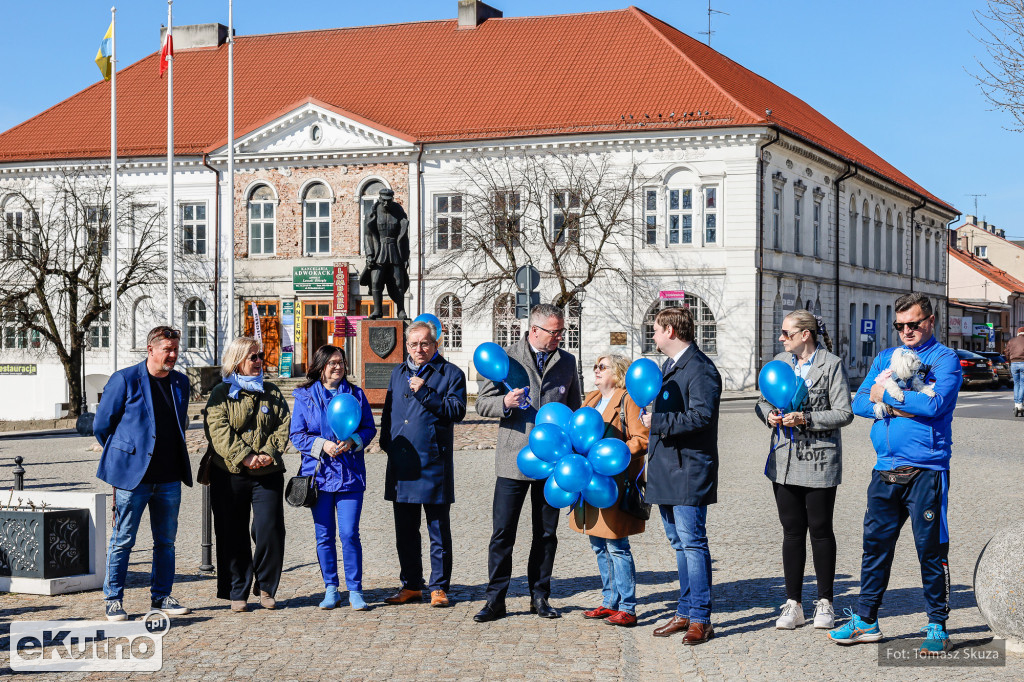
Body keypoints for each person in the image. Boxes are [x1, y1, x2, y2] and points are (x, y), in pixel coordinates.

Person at [829, 292, 961, 655]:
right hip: (884, 469)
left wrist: (886, 395)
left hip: (926, 470)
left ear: (930, 321)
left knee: (930, 549)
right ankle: (867, 621)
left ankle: (937, 624)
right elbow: (858, 403)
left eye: (914, 324)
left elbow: (935, 404)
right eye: (900, 325)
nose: (906, 331)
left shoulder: (944, 359)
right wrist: (893, 403)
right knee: (874, 548)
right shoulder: (886, 357)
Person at [474, 303, 582, 622]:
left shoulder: (567, 361)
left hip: (552, 464)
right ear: (534, 330)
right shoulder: (506, 358)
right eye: (555, 331)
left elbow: (574, 410)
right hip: (513, 459)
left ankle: (540, 595)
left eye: (563, 330)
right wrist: (504, 403)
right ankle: (496, 599)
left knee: (546, 533)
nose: (560, 336)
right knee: (503, 532)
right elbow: (482, 403)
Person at [755, 310, 853, 631]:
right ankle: (793, 603)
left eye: (786, 333)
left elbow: (843, 412)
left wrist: (807, 419)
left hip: (819, 459)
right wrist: (768, 415)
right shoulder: (781, 362)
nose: (781, 338)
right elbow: (763, 400)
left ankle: (825, 601)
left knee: (821, 529)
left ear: (805, 335)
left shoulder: (831, 364)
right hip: (783, 458)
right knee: (792, 531)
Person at [94, 325, 192, 621]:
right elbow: (102, 426)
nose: (173, 355)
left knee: (166, 541)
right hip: (132, 478)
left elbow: (180, 423)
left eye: (176, 349)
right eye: (167, 350)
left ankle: (161, 596)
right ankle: (113, 599)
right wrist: (125, 455)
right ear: (151, 349)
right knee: (123, 539)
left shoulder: (180, 382)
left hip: (169, 476)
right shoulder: (125, 379)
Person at [641, 305, 722, 644]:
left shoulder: (700, 369)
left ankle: (701, 618)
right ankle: (684, 611)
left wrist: (656, 423)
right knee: (679, 544)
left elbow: (701, 417)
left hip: (688, 469)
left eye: (656, 329)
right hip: (665, 468)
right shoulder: (668, 366)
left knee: (692, 542)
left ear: (671, 332)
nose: (654, 335)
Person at [380, 321, 468, 608]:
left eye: (425, 343)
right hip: (402, 463)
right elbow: (390, 411)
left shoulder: (450, 373)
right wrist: (386, 443)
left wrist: (426, 392)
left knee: (437, 529)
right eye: (414, 344)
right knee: (405, 530)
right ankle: (411, 585)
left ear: (436, 344)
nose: (419, 349)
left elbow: (457, 411)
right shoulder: (397, 372)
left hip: (433, 462)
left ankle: (439, 587)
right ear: (407, 346)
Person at [203, 337, 291, 612]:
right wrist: (245, 456)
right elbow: (217, 430)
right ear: (237, 361)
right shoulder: (220, 393)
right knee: (232, 533)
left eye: (260, 355)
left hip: (268, 472)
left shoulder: (273, 392)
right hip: (229, 473)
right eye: (252, 356)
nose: (258, 361)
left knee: (269, 530)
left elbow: (282, 425)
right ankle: (237, 589)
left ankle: (266, 586)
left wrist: (268, 453)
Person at [290, 344, 377, 611]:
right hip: (319, 477)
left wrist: (353, 441)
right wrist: (322, 445)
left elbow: (369, 429)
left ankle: (355, 588)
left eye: (341, 362)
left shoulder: (356, 394)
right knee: (324, 535)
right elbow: (297, 435)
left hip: (350, 475)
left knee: (350, 533)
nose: (338, 367)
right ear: (320, 366)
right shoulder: (305, 395)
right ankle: (331, 587)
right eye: (332, 363)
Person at [571, 354, 649, 628]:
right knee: (597, 544)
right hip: (589, 482)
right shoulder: (591, 398)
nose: (597, 371)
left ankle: (627, 607)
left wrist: (613, 453)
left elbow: (642, 439)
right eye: (595, 366)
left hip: (614, 483)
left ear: (618, 373)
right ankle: (609, 602)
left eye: (602, 367)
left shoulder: (628, 400)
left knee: (617, 545)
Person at [361, 188, 410, 319]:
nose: (386, 204)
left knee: (399, 282)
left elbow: (404, 237)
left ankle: (401, 310)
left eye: (389, 201)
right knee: (376, 281)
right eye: (384, 201)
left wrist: (405, 257)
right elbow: (368, 236)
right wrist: (370, 255)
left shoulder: (399, 212)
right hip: (379, 250)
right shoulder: (372, 213)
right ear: (380, 199)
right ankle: (378, 310)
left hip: (395, 249)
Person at [1005, 326, 1024, 413]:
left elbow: (1006, 352)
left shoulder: (1011, 341)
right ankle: (1020, 404)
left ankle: (1016, 403)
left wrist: (1010, 360)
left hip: (1014, 363)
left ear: (1018, 333)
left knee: (1016, 383)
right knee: (1022, 383)